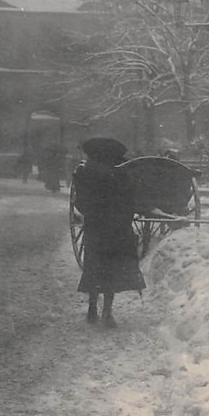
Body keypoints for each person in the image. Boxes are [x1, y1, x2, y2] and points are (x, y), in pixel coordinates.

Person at [72, 136, 145, 328]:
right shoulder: (123, 172)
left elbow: (81, 203)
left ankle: (91, 309)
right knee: (113, 269)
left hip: (96, 227)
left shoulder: (86, 172)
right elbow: (132, 199)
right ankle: (107, 312)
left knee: (94, 266)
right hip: (119, 228)